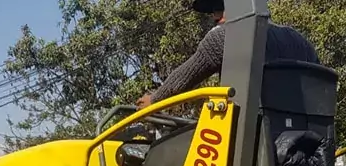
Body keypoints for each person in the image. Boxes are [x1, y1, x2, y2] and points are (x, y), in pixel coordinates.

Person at [136, 0, 319, 109]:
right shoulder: (300, 42)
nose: (213, 17)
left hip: (251, 147)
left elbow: (184, 77)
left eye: (214, 9)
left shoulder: (225, 36)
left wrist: (153, 99)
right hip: (303, 149)